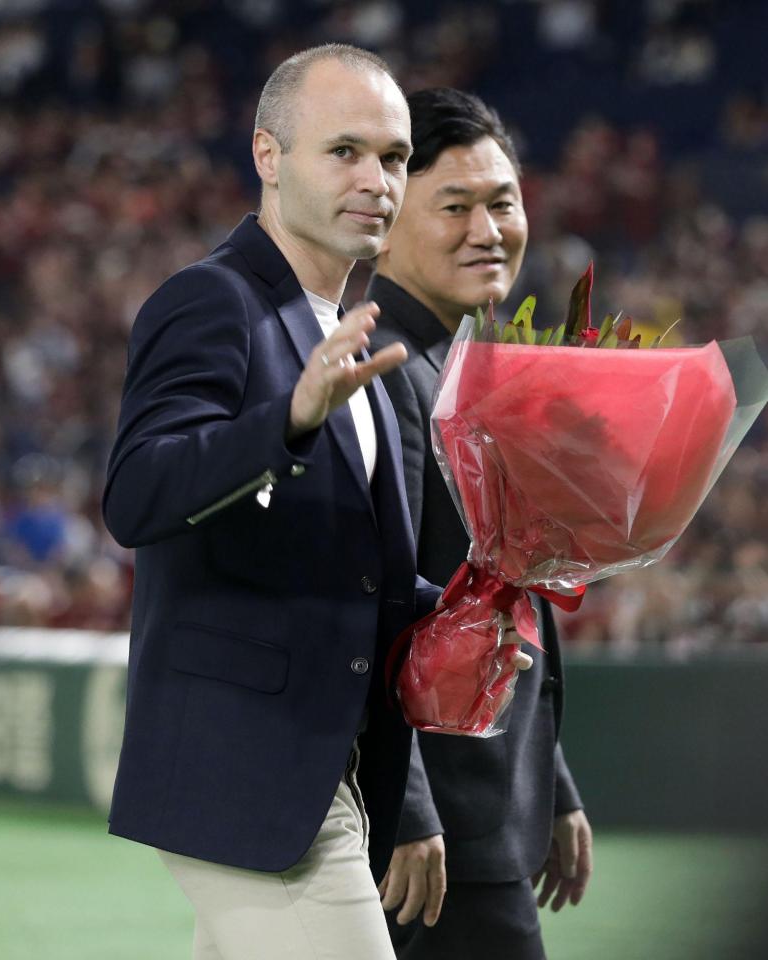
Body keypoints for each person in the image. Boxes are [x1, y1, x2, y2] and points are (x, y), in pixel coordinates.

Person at [102, 47, 523, 960]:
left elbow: (352, 576)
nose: (376, 180)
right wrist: (286, 420)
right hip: (248, 770)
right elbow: (137, 494)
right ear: (267, 155)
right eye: (344, 152)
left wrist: (472, 612)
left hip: (316, 769)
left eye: (394, 158)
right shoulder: (210, 300)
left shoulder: (344, 341)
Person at [370, 87, 593, 960]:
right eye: (453, 206)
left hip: (487, 810)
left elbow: (495, 598)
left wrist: (552, 783)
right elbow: (373, 611)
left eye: (501, 202)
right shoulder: (381, 372)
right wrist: (410, 804)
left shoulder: (464, 367)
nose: (486, 228)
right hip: (434, 840)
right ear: (384, 223)